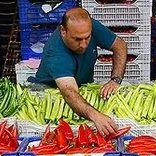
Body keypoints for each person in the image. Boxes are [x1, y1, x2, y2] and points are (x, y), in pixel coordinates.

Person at [33, 7, 128, 135]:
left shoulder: (88, 26)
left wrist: (115, 80)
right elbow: (69, 93)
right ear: (63, 31)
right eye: (77, 39)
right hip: (51, 94)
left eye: (87, 38)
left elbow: (120, 46)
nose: (83, 44)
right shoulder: (55, 53)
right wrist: (96, 116)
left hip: (82, 87)